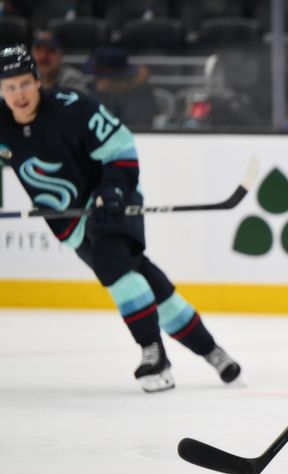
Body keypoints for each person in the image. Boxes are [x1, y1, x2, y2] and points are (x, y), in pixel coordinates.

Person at [0, 45, 241, 392]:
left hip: (111, 199)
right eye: (9, 87)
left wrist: (112, 189)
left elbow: (121, 146)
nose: (18, 94)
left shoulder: (71, 107)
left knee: (111, 264)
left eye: (24, 84)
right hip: (71, 223)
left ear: (37, 81)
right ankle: (212, 351)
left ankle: (152, 352)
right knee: (142, 275)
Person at [83, 46, 159, 129]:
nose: (96, 80)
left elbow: (135, 126)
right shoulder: (95, 93)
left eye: (99, 77)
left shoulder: (140, 95)